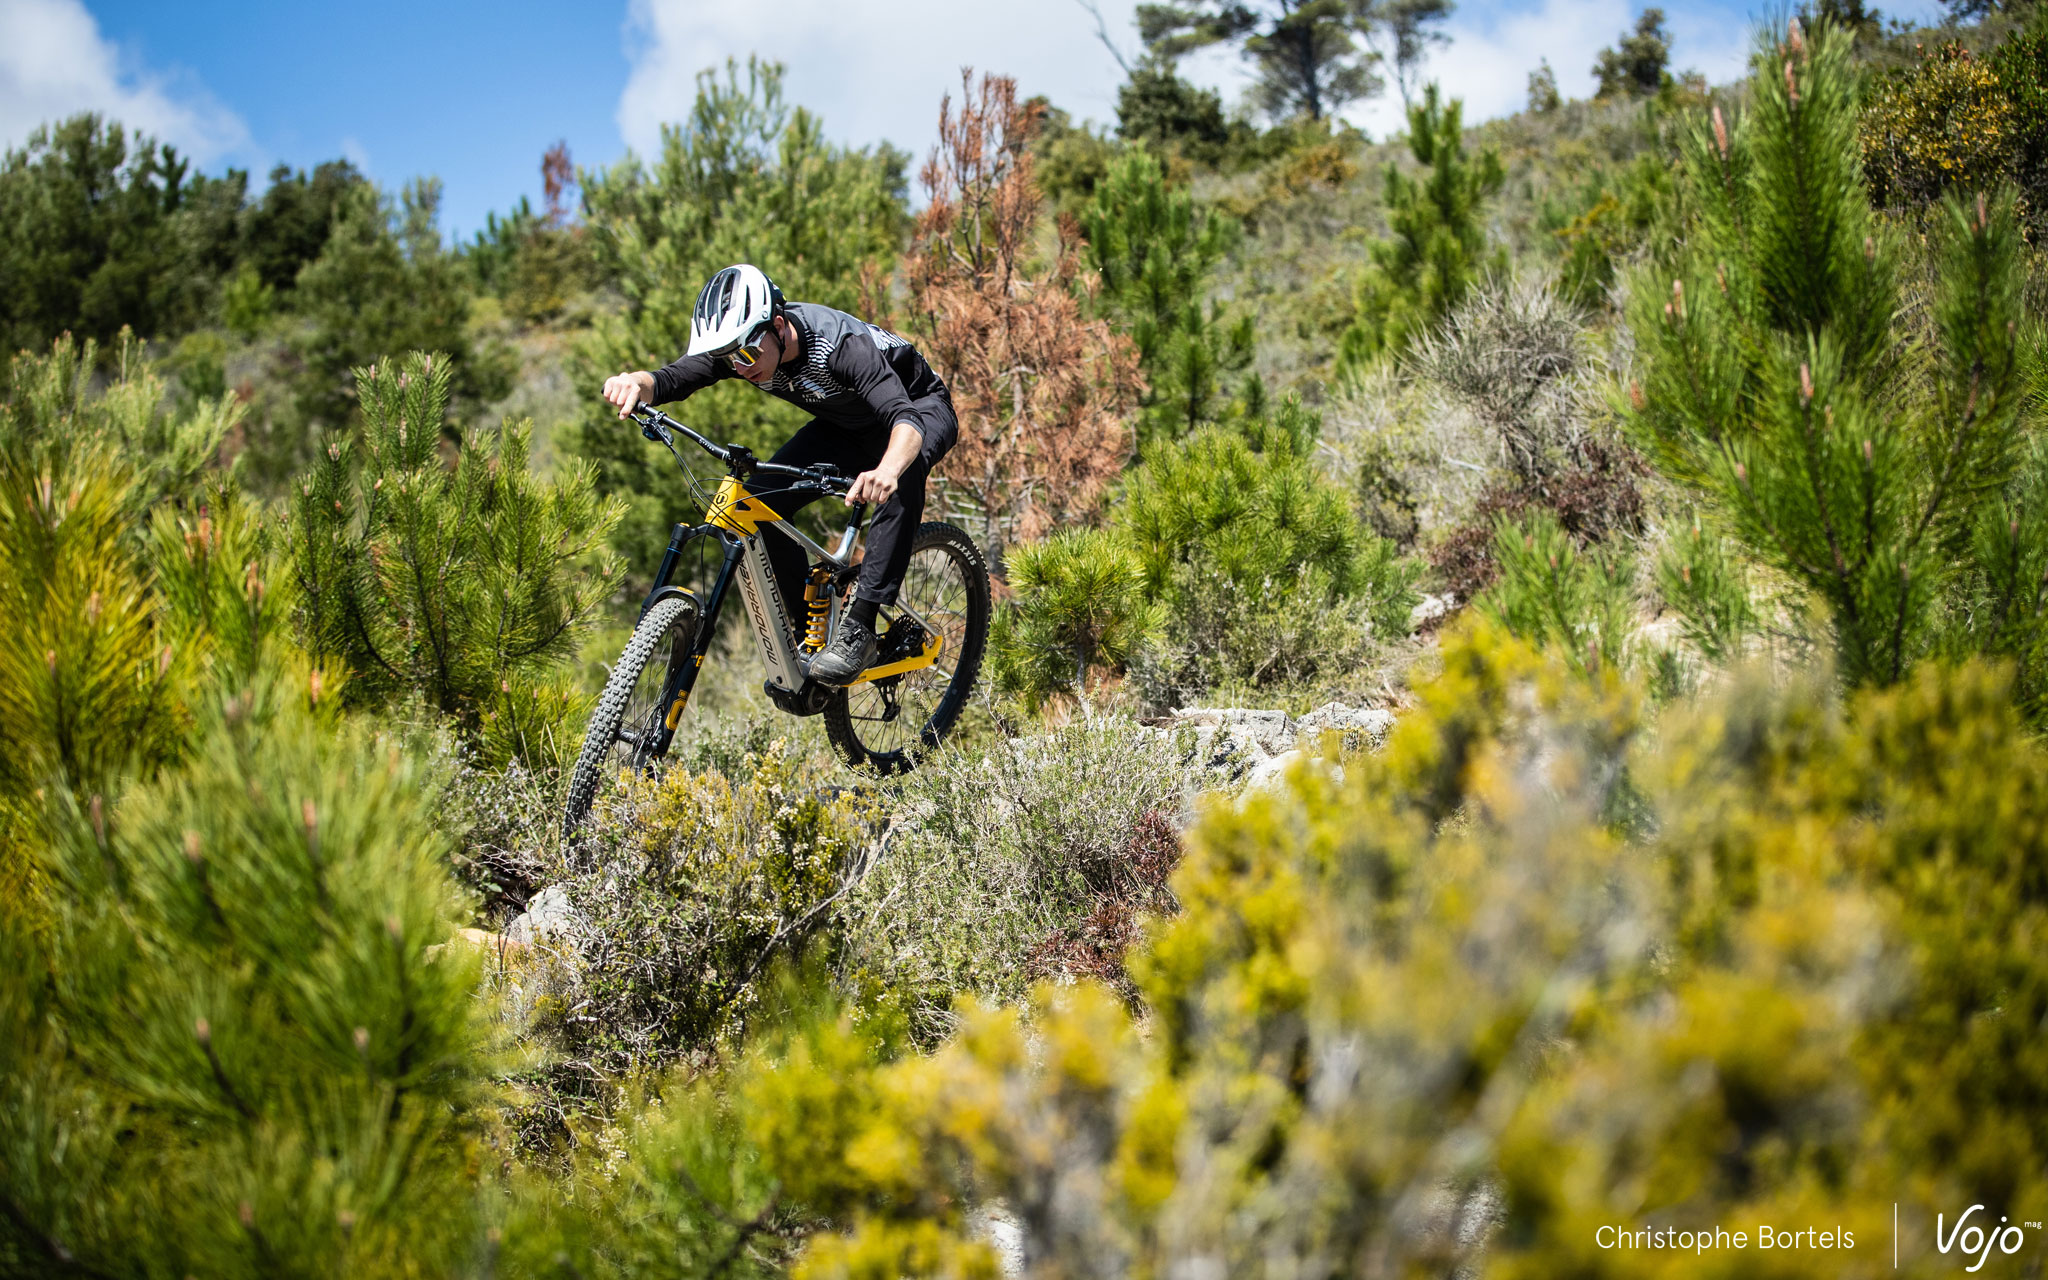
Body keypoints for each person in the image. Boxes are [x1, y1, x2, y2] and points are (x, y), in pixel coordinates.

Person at [600, 263, 958, 686]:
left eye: (747, 354)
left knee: (901, 475)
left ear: (778, 325)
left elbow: (905, 420)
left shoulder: (841, 347)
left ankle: (859, 626)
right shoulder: (744, 349)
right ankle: (813, 637)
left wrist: (888, 468)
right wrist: (635, 383)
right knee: (755, 506)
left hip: (919, 409)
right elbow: (672, 378)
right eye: (729, 359)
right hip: (848, 427)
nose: (741, 367)